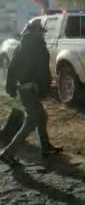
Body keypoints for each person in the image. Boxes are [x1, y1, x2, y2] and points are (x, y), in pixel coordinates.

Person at [0, 19, 62, 167]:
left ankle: (46, 147)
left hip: (24, 88)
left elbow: (12, 68)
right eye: (41, 32)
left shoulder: (22, 46)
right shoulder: (38, 47)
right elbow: (43, 72)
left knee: (41, 116)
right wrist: (44, 89)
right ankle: (7, 154)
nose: (42, 34)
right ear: (35, 32)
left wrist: (11, 87)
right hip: (31, 89)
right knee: (31, 120)